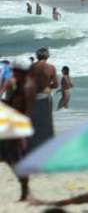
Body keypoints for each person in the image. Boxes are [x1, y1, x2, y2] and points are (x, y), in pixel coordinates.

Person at [2, 60, 32, 201]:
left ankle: (25, 191)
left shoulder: (25, 88)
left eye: (15, 71)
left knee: (14, 160)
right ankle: (25, 190)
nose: (12, 73)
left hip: (15, 129)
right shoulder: (19, 85)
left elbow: (22, 112)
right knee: (12, 160)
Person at [27, 47, 57, 151]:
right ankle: (48, 145)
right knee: (47, 118)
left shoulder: (31, 67)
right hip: (45, 95)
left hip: (33, 96)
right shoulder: (51, 68)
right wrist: (48, 86)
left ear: (37, 56)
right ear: (47, 56)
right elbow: (56, 84)